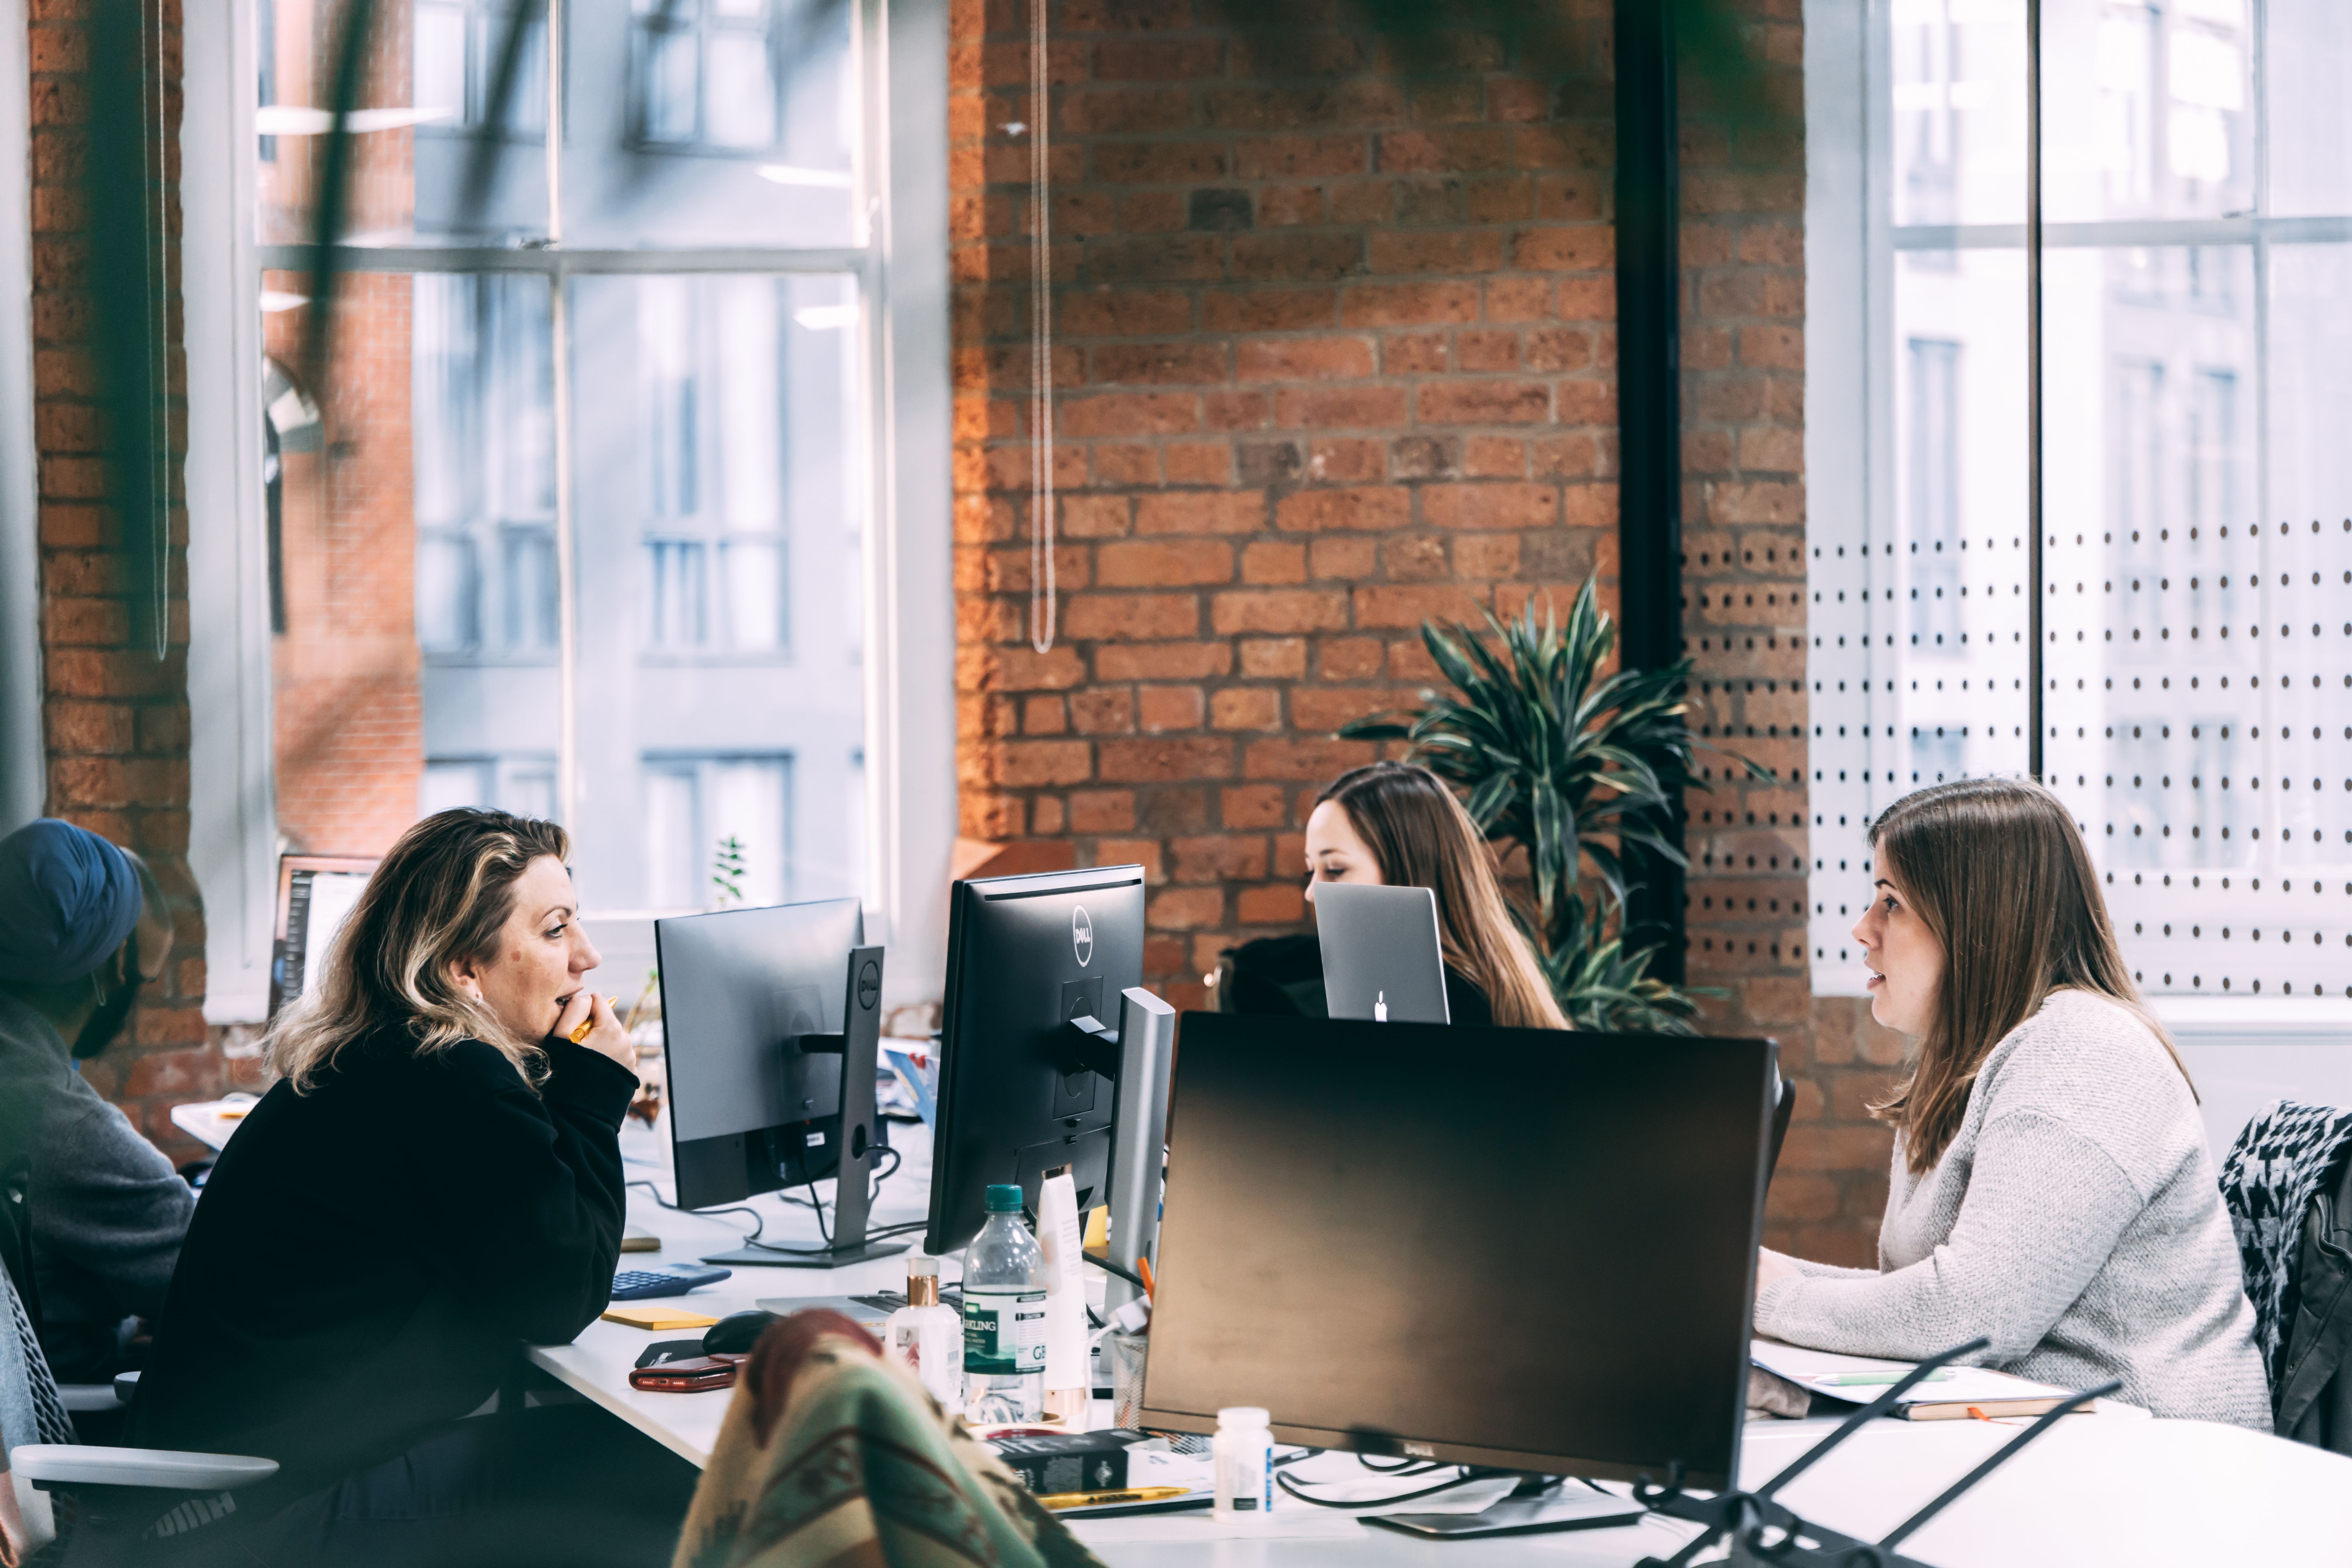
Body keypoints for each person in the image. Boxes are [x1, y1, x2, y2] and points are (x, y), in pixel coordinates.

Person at [122, 809, 696, 1566]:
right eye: (556, 929)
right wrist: (597, 1089)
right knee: (679, 1479)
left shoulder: (394, 1057)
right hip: (262, 1515)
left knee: (596, 1445)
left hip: (225, 1494)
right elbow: (562, 1296)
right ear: (465, 966)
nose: (586, 955)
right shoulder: (450, 1078)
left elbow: (528, 1240)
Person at [1753, 777, 2269, 1428]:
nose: (1863, 929)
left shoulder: (2083, 1053)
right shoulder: (1971, 1063)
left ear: (1975, 921)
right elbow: (1929, 1299)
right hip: (2039, 1432)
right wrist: (1758, 1277)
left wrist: (1775, 1300)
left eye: (1891, 903)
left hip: (2160, 1459)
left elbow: (1973, 1313)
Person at [0, 819, 194, 1388]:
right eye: (145, 974)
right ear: (112, 968)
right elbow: (222, 1275)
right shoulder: (57, 1118)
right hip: (65, 1419)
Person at [1304, 761, 1568, 1030]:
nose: (1312, 894)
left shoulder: (1457, 1000)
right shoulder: (1381, 979)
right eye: (1310, 871)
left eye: (1335, 870)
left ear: (1409, 872)